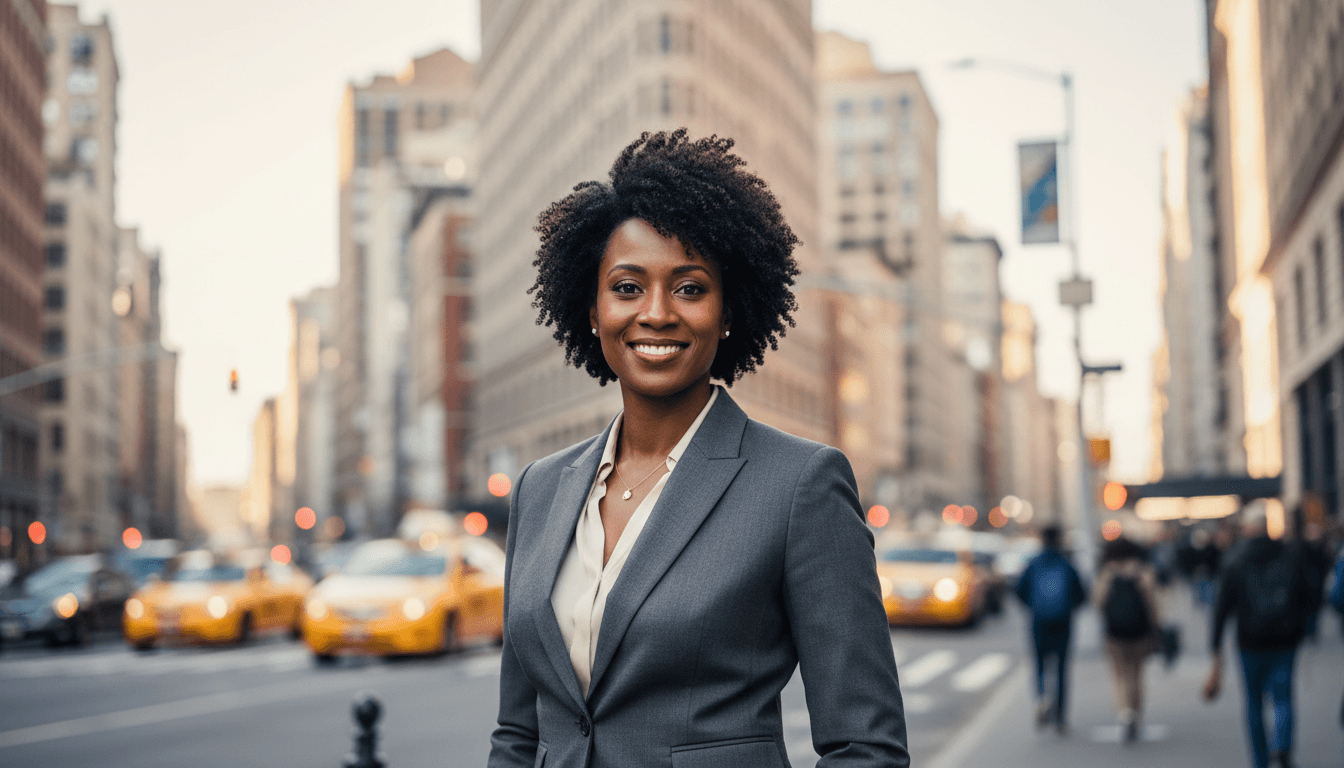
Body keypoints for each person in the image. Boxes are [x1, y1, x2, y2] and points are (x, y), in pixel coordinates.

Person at [487, 130, 909, 768]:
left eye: (689, 288)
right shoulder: (540, 489)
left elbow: (865, 747)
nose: (655, 313)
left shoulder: (800, 486)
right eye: (627, 288)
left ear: (730, 310)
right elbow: (520, 735)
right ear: (593, 310)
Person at [1204, 501, 1320, 768]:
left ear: (1246, 528)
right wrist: (1305, 629)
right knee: (1283, 697)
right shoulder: (1289, 555)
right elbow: (1309, 595)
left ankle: (1260, 760)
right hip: (1285, 639)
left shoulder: (1234, 559)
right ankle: (1283, 747)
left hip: (1250, 641)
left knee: (1254, 704)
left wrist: (1216, 645)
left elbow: (1222, 607)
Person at [1014, 524, 1087, 734]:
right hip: (1063, 622)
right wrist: (1069, 608)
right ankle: (1060, 718)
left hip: (1039, 622)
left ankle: (1041, 698)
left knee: (1039, 665)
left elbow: (1019, 591)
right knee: (1062, 669)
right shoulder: (1066, 564)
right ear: (1060, 538)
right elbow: (1081, 594)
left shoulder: (1034, 563)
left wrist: (1034, 607)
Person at [1094, 536, 1160, 744]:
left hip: (1114, 632)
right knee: (1138, 674)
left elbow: (1098, 602)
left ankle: (1124, 713)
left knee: (1118, 674)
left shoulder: (1107, 571)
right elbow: (1152, 602)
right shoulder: (1142, 570)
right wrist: (1156, 626)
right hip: (1140, 629)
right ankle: (1136, 715)